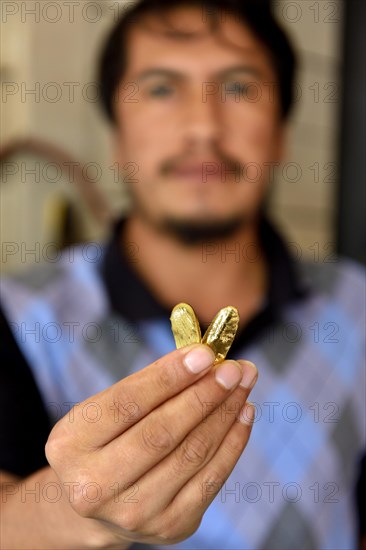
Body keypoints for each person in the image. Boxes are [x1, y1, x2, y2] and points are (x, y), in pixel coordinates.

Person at [0, 1, 365, 548]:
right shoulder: (18, 313)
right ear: (118, 140)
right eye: (162, 89)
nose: (203, 126)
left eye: (239, 87)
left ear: (282, 134)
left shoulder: (357, 307)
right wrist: (83, 511)